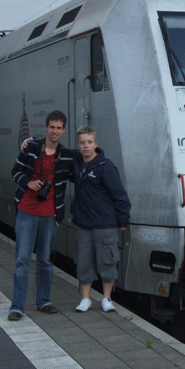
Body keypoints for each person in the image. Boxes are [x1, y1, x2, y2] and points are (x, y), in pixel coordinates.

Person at [8, 110, 73, 321]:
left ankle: (43, 301)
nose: (55, 131)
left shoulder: (66, 155)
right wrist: (27, 182)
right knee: (22, 260)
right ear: (46, 127)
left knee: (45, 260)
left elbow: (88, 155)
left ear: (64, 130)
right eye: (52, 127)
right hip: (27, 210)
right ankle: (17, 306)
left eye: (59, 128)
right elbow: (15, 171)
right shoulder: (32, 147)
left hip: (50, 214)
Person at [71, 126, 131, 313]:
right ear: (78, 145)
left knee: (107, 262)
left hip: (105, 223)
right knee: (84, 262)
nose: (86, 146)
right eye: (82, 143)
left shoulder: (106, 166)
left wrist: (123, 220)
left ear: (96, 145)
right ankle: (86, 299)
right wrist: (32, 142)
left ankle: (106, 298)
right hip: (84, 224)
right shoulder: (76, 163)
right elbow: (56, 148)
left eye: (89, 142)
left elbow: (119, 195)